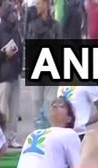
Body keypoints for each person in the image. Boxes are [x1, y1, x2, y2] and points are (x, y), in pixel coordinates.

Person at [0, 2, 24, 148]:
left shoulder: (16, 31)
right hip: (3, 75)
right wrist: (4, 54)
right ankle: (0, 137)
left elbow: (20, 49)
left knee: (14, 109)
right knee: (2, 109)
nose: (14, 16)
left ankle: (12, 137)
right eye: (12, 13)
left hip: (15, 73)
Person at [26, 0, 61, 128]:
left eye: (39, 4)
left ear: (46, 4)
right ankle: (38, 129)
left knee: (51, 100)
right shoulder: (33, 25)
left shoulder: (55, 25)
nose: (37, 7)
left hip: (52, 66)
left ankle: (51, 128)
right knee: (36, 99)